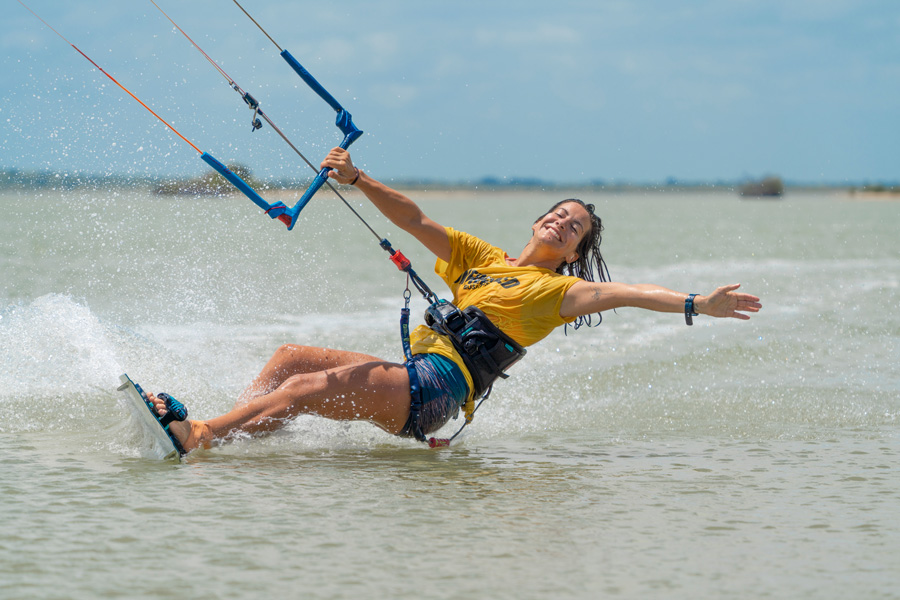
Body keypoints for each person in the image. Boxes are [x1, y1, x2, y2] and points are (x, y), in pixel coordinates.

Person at [148, 148, 762, 453]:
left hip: (439, 390)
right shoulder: (480, 256)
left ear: (575, 251)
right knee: (288, 361)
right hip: (417, 372)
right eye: (557, 214)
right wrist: (358, 180)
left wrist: (695, 303)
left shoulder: (557, 290)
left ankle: (199, 435)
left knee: (310, 389)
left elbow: (624, 293)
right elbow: (413, 218)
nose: (560, 224)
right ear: (538, 219)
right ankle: (227, 440)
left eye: (573, 228)